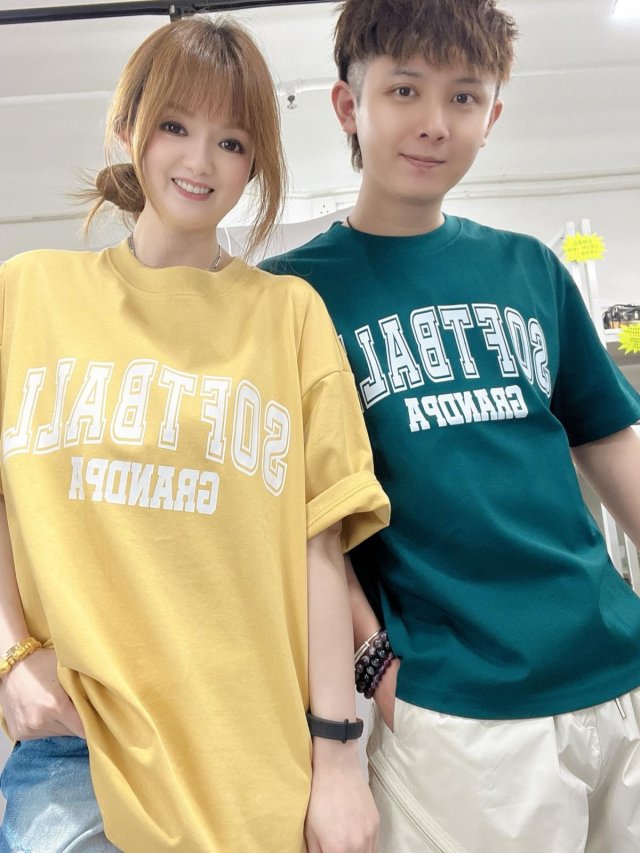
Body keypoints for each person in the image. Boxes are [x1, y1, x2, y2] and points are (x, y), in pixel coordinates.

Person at [0, 16, 390, 853]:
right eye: (174, 125)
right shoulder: (27, 295)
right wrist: (11, 655)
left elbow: (321, 547)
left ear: (256, 164)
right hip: (80, 748)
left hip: (251, 754)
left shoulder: (288, 316)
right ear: (127, 126)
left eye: (232, 141)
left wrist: (339, 760)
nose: (200, 160)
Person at [261, 1, 640, 850]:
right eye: (405, 90)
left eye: (464, 97)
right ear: (348, 105)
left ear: (492, 115)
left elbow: (611, 441)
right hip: (460, 711)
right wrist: (377, 668)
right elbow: (301, 516)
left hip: (619, 669)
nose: (435, 122)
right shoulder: (289, 298)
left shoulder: (531, 268)